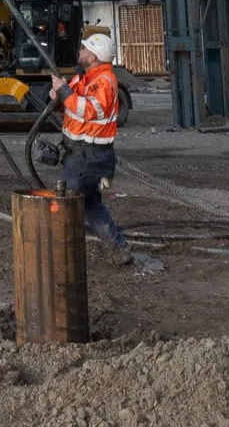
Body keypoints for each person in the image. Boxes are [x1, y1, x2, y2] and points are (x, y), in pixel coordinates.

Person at [48, 29, 161, 274]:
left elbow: (90, 109)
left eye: (85, 48)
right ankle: (119, 249)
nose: (80, 51)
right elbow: (73, 107)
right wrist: (58, 97)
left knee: (66, 202)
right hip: (78, 154)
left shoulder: (105, 82)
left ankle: (57, 255)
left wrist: (65, 92)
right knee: (90, 204)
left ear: (95, 56)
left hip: (89, 157)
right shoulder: (86, 77)